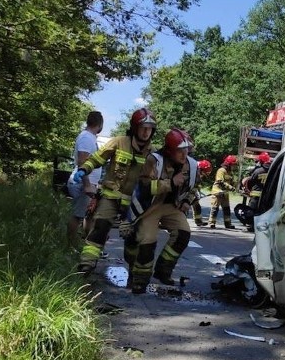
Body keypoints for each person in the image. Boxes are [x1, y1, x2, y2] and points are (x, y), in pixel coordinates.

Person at [72, 107, 158, 274]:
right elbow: (97, 159)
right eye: (143, 128)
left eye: (150, 129)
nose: (146, 132)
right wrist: (84, 169)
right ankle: (86, 265)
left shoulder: (153, 153)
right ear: (135, 127)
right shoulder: (118, 142)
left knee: (134, 238)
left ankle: (133, 268)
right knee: (100, 228)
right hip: (111, 197)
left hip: (134, 203)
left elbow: (154, 180)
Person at [126, 128, 199, 294]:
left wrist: (187, 201)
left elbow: (194, 187)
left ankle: (163, 271)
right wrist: (170, 183)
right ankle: (139, 280)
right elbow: (143, 187)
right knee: (148, 240)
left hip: (172, 206)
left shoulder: (192, 165)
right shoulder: (154, 160)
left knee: (183, 233)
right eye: (180, 151)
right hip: (150, 207)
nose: (184, 154)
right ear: (169, 150)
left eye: (186, 150)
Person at [66, 111, 104, 250]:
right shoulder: (86, 138)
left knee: (88, 216)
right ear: (100, 124)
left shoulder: (90, 137)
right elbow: (83, 161)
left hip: (87, 183)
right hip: (82, 184)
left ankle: (86, 245)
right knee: (78, 216)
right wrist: (88, 185)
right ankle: (71, 247)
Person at [207, 155, 238, 229]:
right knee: (215, 208)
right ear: (229, 164)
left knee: (226, 209)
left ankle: (228, 224)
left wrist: (235, 185)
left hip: (225, 193)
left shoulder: (230, 172)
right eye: (233, 164)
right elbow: (220, 181)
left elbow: (231, 181)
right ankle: (211, 223)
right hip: (218, 192)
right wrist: (230, 187)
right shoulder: (221, 170)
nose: (234, 166)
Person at [192, 159, 213, 226]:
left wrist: (198, 193)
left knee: (197, 206)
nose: (203, 175)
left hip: (192, 191)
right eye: (204, 172)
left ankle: (198, 221)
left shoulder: (198, 172)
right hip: (184, 191)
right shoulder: (192, 170)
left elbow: (197, 184)